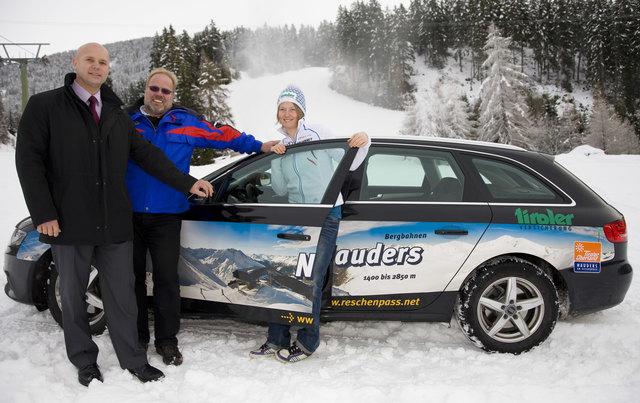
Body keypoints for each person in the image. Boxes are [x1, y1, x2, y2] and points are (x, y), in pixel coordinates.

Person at [15, 43, 213, 386]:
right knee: (73, 298)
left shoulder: (116, 112)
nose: (96, 66)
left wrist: (188, 183)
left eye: (103, 62)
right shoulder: (46, 105)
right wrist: (44, 212)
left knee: (123, 295)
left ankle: (133, 359)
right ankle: (84, 361)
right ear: (75, 62)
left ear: (109, 69)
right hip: (68, 222)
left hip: (114, 223)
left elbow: (148, 156)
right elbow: (28, 161)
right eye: (89, 60)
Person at [125, 67, 279, 366]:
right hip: (128, 213)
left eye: (165, 91)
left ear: (172, 96)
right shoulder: (127, 122)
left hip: (167, 216)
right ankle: (137, 337)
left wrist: (258, 145)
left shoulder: (184, 123)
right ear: (146, 89)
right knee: (131, 280)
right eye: (154, 89)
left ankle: (167, 340)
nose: (159, 95)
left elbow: (222, 135)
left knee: (167, 280)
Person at [249, 84, 370, 363]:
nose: (287, 113)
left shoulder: (319, 133)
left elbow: (350, 162)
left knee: (311, 279)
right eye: (282, 108)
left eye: (292, 108)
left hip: (326, 213)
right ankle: (276, 339)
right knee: (282, 275)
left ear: (301, 111)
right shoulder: (281, 144)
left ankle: (306, 343)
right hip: (296, 215)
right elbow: (279, 188)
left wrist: (365, 141)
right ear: (277, 113)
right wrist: (276, 160)